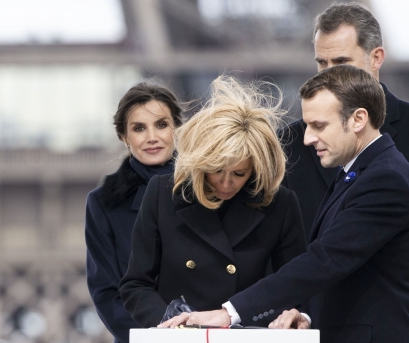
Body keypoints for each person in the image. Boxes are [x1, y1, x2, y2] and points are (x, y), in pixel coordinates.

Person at [181, 65, 409, 343]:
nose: (307, 137)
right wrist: (305, 314)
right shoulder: (359, 175)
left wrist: (229, 313)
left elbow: (325, 260)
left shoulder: (386, 180)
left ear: (357, 119)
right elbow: (346, 272)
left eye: (319, 125)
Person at [281, 3, 409, 343]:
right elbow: (285, 242)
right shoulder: (290, 142)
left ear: (376, 57)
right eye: (322, 62)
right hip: (306, 341)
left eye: (342, 60)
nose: (330, 73)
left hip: (397, 342)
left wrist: (357, 320)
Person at [119, 76, 306, 329]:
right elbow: (136, 284)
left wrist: (295, 317)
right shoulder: (162, 195)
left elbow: (295, 285)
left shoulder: (279, 204)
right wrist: (168, 320)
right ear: (200, 162)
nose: (226, 183)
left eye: (239, 174)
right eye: (217, 170)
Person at [85, 82, 182, 343]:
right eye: (139, 128)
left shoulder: (216, 190)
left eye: (161, 124)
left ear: (176, 128)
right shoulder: (104, 204)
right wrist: (157, 341)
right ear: (124, 137)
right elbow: (106, 292)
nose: (152, 137)